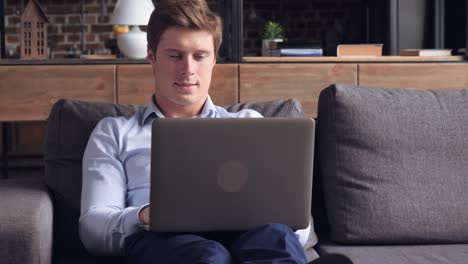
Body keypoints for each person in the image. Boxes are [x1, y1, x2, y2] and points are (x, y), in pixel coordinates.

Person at [79, 0, 314, 263]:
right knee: (207, 255)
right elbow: (92, 229)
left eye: (200, 56)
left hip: (251, 234)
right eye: (175, 55)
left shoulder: (251, 124)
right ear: (152, 57)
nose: (188, 69)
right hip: (165, 241)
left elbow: (300, 229)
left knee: (278, 239)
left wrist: (280, 217)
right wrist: (144, 215)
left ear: (214, 59)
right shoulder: (114, 132)